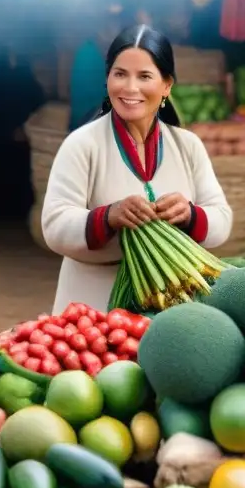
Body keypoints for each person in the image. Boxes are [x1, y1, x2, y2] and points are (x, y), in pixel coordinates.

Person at [42, 24, 233, 313]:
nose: (130, 88)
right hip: (91, 311)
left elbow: (221, 219)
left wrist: (190, 215)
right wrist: (108, 217)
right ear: (107, 79)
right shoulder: (82, 144)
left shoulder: (187, 145)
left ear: (166, 85)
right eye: (120, 74)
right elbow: (54, 225)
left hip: (172, 308)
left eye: (145, 76)